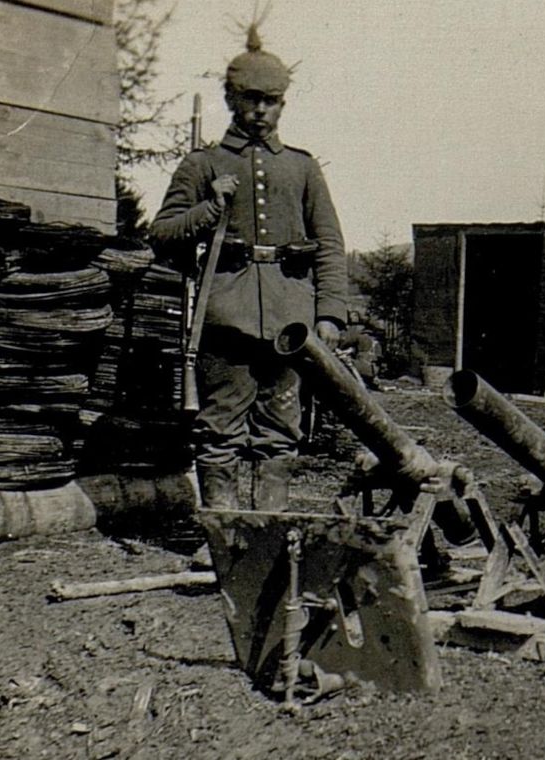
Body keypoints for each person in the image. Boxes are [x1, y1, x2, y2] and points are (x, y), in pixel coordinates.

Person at [151, 27, 350, 512]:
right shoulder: (203, 164)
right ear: (230, 98)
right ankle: (223, 534)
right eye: (251, 99)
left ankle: (268, 532)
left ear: (284, 104)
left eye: (272, 101)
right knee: (219, 428)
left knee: (280, 429)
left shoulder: (302, 169)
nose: (261, 110)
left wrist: (331, 314)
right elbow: (161, 233)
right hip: (225, 319)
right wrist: (209, 210)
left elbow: (329, 243)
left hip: (290, 322)